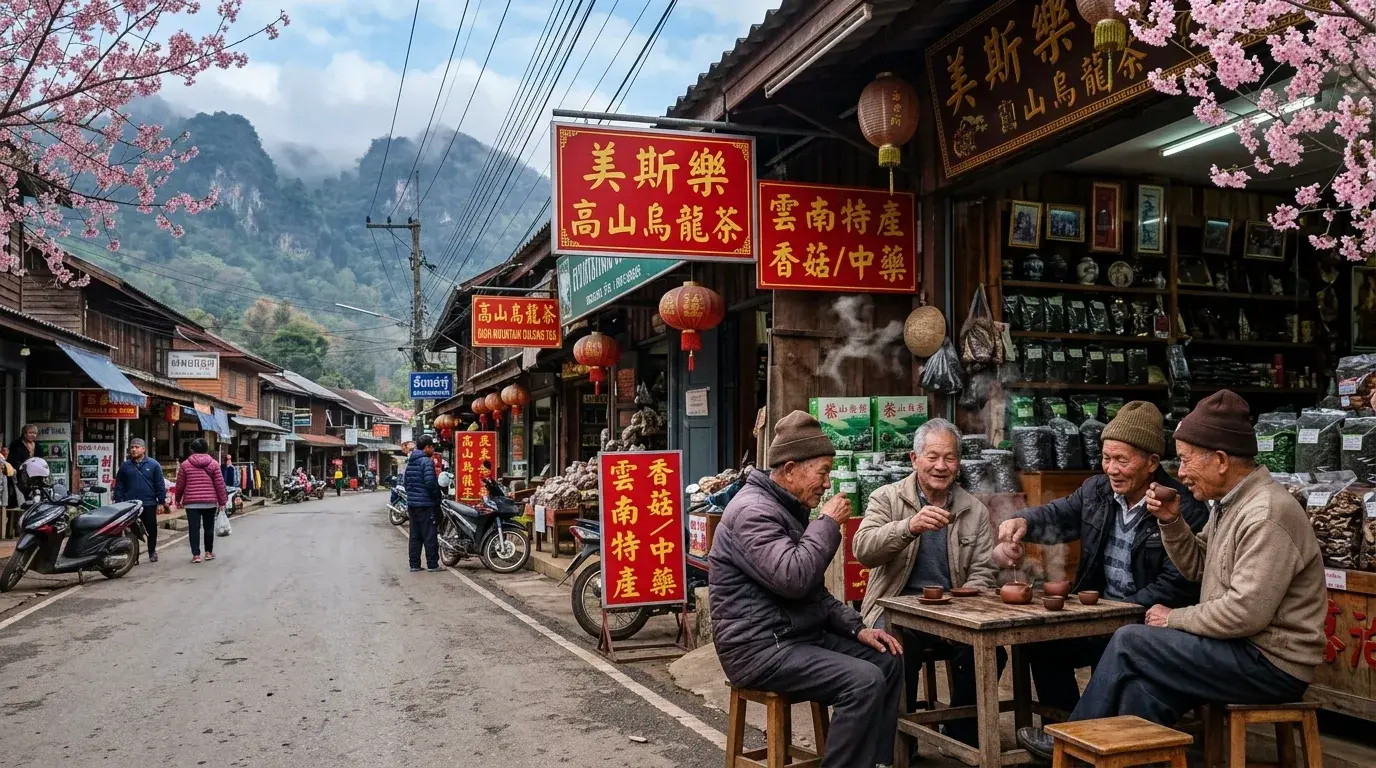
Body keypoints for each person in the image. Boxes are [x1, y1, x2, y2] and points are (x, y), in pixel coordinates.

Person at [1018, 390, 1325, 758]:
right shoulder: (1230, 505)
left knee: (1131, 639)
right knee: (1142, 691)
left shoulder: (1265, 513)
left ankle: (1066, 744)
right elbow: (1198, 566)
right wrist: (1173, 523)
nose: (1179, 473)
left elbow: (1246, 613)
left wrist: (1173, 618)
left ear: (1222, 460)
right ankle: (1108, 760)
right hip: (1235, 650)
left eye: (1185, 461)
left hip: (1269, 663)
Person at [709, 411, 903, 768]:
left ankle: (876, 762)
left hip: (794, 636)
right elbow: (794, 578)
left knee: (886, 660)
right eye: (823, 472)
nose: (827, 483)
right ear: (791, 468)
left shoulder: (785, 508)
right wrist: (827, 523)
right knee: (863, 682)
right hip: (759, 648)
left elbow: (814, 592)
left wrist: (857, 628)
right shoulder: (753, 512)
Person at [998, 402, 1210, 716]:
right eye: (1106, 458)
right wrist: (1023, 522)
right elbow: (1059, 515)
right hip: (1101, 614)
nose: (1110, 468)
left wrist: (1116, 612)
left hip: (1148, 620)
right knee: (1039, 644)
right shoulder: (1097, 491)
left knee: (1115, 642)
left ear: (1151, 462)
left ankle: (1078, 736)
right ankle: (1067, 728)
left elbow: (1177, 584)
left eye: (1121, 460)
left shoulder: (1183, 506)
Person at [853, 418, 998, 747]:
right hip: (893, 608)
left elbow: (984, 571)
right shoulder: (886, 498)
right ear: (914, 459)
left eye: (949, 458)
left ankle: (961, 734)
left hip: (952, 612)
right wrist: (909, 527)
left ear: (958, 463)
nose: (941, 466)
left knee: (990, 652)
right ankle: (898, 743)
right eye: (932, 457)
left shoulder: (973, 510)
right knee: (896, 649)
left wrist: (964, 604)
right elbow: (863, 551)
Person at [172, 438, 228, 564]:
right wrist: (222, 501)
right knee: (209, 528)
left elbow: (180, 484)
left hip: (192, 503)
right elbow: (220, 484)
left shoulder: (185, 464)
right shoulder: (213, 464)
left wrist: (177, 499)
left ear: (192, 450)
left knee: (194, 529)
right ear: (206, 449)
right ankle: (208, 552)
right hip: (210, 502)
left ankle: (196, 555)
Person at [113, 438, 167, 563]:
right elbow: (119, 485)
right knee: (131, 532)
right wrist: (118, 502)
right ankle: (134, 557)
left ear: (144, 449)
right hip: (130, 505)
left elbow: (159, 484)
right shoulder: (125, 466)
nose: (134, 449)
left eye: (137, 447)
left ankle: (152, 551)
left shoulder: (153, 465)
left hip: (148, 504)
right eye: (132, 447)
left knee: (151, 529)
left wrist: (161, 502)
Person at [403, 435, 442, 573]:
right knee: (429, 534)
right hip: (425, 504)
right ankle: (432, 564)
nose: (433, 449)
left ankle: (414, 564)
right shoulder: (426, 461)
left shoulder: (411, 461)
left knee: (415, 535)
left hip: (412, 504)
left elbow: (405, 483)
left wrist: (412, 497)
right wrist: (437, 497)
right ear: (427, 447)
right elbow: (430, 483)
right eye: (432, 447)